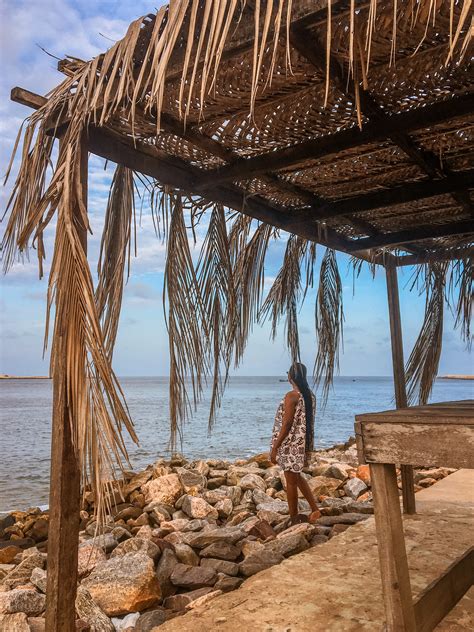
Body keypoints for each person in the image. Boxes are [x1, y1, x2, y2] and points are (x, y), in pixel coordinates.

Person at [270, 362, 321, 525]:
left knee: (290, 482)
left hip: (290, 443)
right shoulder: (309, 395)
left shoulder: (292, 395)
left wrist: (275, 447)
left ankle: (293, 518)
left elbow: (287, 424)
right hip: (301, 443)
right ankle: (315, 509)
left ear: (290, 376)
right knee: (297, 478)